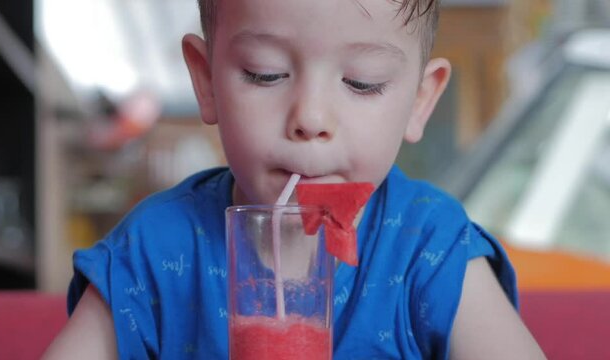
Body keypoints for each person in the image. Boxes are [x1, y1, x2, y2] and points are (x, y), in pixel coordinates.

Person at [43, 0, 546, 358]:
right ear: (206, 80)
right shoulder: (152, 252)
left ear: (419, 100)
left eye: (361, 82)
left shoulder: (430, 249)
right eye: (265, 73)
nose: (310, 117)